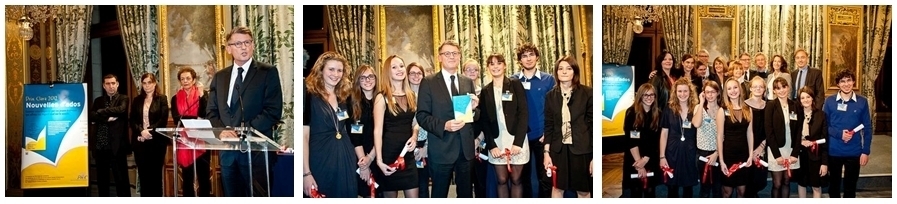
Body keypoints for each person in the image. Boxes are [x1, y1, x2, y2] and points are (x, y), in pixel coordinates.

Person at [209, 26, 284, 196]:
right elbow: (211, 112)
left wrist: (243, 132)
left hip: (256, 153)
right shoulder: (220, 77)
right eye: (238, 43)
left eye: (247, 42)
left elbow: (273, 111)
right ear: (228, 48)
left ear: (253, 45)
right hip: (228, 154)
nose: (243, 47)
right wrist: (222, 131)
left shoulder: (267, 72)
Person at [416, 40, 480, 198]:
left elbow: (475, 115)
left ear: (459, 57)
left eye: (455, 53)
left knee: (465, 195)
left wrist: (474, 109)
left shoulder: (466, 81)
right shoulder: (428, 82)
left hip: (465, 150)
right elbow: (422, 116)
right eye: (447, 53)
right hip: (441, 148)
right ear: (439, 57)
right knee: (439, 195)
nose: (451, 56)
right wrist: (444, 125)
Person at [302, 51, 356, 198]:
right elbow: (304, 136)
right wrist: (305, 173)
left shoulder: (345, 95)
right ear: (321, 70)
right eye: (331, 69)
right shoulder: (308, 94)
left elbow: (353, 129)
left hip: (345, 157)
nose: (335, 74)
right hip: (319, 158)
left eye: (340, 70)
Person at [477, 53, 529, 198]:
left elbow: (523, 114)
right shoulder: (485, 90)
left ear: (504, 65)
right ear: (487, 68)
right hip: (497, 141)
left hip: (516, 139)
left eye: (498, 63)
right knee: (501, 180)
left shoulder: (515, 84)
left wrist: (518, 143)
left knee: (516, 179)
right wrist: (491, 145)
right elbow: (485, 121)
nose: (495, 66)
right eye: (491, 64)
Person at [543, 55, 592, 198]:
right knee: (557, 188)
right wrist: (546, 153)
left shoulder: (587, 93)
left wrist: (595, 156)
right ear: (556, 72)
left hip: (581, 149)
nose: (564, 72)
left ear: (574, 72)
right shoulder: (550, 96)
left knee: (583, 190)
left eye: (568, 68)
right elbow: (549, 126)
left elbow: (593, 125)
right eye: (561, 68)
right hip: (558, 150)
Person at [510, 42, 555, 198]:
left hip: (543, 136)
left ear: (537, 57)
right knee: (523, 177)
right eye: (524, 56)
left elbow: (555, 109)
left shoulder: (549, 79)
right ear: (519, 60)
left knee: (545, 177)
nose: (528, 59)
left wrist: (548, 133)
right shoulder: (512, 81)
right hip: (521, 138)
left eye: (531, 55)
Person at [373, 55, 420, 198]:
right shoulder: (382, 97)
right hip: (389, 155)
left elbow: (416, 122)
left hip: (408, 156)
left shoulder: (412, 95)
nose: (399, 69)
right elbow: (377, 131)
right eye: (394, 67)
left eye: (401, 66)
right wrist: (379, 161)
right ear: (388, 71)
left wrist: (414, 136)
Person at [823, 68, 873, 198]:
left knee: (850, 188)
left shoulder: (862, 101)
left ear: (854, 82)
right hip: (834, 151)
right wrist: (840, 134)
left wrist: (865, 151)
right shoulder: (829, 101)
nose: (846, 84)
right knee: (833, 187)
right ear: (838, 84)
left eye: (849, 80)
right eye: (842, 81)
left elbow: (867, 127)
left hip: (854, 151)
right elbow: (824, 126)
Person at [170, 67, 211, 197]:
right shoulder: (175, 98)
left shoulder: (203, 95)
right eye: (182, 79)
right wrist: (195, 119)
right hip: (184, 141)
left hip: (201, 140)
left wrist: (201, 96)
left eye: (188, 78)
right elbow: (178, 119)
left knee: (203, 177)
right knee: (187, 178)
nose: (185, 81)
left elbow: (205, 115)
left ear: (193, 80)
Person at [89, 74, 131, 197]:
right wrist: (106, 119)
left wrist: (101, 112)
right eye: (108, 84)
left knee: (121, 179)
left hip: (117, 146)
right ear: (104, 86)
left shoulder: (123, 98)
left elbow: (121, 109)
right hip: (100, 145)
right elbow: (91, 115)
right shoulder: (98, 101)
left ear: (117, 84)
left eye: (113, 83)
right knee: (102, 179)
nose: (111, 86)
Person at [130, 73, 170, 197]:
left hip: (156, 143)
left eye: (150, 82)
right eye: (144, 83)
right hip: (140, 143)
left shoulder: (162, 98)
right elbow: (132, 120)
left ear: (154, 83)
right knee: (143, 176)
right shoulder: (137, 100)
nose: (147, 86)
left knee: (155, 176)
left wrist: (149, 131)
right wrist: (142, 131)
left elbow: (162, 120)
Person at [658, 78, 699, 198]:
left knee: (688, 188)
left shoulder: (696, 109)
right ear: (675, 92)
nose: (682, 94)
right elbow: (664, 133)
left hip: (690, 152)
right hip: (672, 152)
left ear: (690, 92)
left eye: (685, 91)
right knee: (672, 187)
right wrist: (662, 156)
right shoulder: (668, 109)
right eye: (679, 91)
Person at [346, 64, 381, 198]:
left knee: (380, 193)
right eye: (363, 78)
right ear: (357, 81)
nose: (367, 80)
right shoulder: (351, 101)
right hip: (359, 154)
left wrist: (371, 157)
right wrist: (364, 164)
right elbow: (354, 135)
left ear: (376, 78)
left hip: (378, 153)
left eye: (370, 76)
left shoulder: (382, 99)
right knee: (366, 193)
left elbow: (384, 131)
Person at [717, 78, 755, 198]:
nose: (733, 91)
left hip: (743, 155)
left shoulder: (748, 109)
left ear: (740, 89)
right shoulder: (722, 110)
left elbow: (750, 133)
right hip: (728, 156)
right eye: (729, 88)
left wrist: (750, 155)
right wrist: (721, 160)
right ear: (726, 92)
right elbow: (719, 136)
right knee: (727, 191)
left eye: (735, 87)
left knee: (742, 191)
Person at [623, 83, 661, 198]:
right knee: (636, 191)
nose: (649, 98)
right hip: (634, 158)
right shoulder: (631, 113)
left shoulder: (658, 114)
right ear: (640, 96)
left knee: (650, 191)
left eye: (651, 95)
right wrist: (640, 164)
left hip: (651, 157)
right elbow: (631, 140)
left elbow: (657, 140)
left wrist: (646, 159)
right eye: (645, 95)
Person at [765, 77, 800, 198]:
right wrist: (777, 155)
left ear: (788, 88)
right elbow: (768, 131)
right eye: (778, 88)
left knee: (786, 181)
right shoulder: (770, 106)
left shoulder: (795, 105)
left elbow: (798, 131)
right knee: (777, 183)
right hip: (776, 150)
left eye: (784, 87)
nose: (782, 90)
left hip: (791, 150)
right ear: (774, 90)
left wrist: (795, 153)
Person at [795, 86, 829, 198]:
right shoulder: (795, 115)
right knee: (801, 183)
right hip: (800, 155)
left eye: (808, 97)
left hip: (816, 156)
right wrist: (800, 141)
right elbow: (792, 134)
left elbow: (825, 140)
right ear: (799, 100)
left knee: (816, 185)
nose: (806, 100)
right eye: (802, 98)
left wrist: (824, 163)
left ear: (812, 98)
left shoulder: (821, 115)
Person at [692, 81, 722, 198]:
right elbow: (696, 123)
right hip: (702, 153)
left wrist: (716, 153)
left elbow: (723, 135)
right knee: (704, 188)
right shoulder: (698, 108)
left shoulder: (722, 109)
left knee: (717, 187)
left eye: (713, 92)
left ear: (718, 93)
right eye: (707, 92)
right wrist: (701, 103)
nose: (710, 95)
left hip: (717, 152)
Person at [463, 59, 488, 198]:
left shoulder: (485, 92)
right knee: (465, 184)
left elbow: (488, 120)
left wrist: (478, 140)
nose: (472, 72)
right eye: (468, 69)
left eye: (475, 69)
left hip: (481, 143)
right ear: (463, 72)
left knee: (481, 183)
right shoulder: (458, 93)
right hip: (463, 144)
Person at [407, 62, 431, 198]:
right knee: (410, 186)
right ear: (407, 75)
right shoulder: (402, 96)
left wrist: (425, 148)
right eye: (412, 73)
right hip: (408, 146)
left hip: (425, 145)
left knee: (423, 185)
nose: (416, 76)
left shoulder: (429, 95)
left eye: (419, 73)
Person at [744, 76, 769, 198]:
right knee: (747, 183)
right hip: (746, 148)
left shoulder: (769, 106)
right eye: (755, 86)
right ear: (751, 88)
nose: (758, 89)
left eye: (761, 86)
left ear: (764, 89)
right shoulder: (744, 105)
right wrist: (750, 152)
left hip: (762, 148)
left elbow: (770, 130)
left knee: (759, 181)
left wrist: (760, 148)